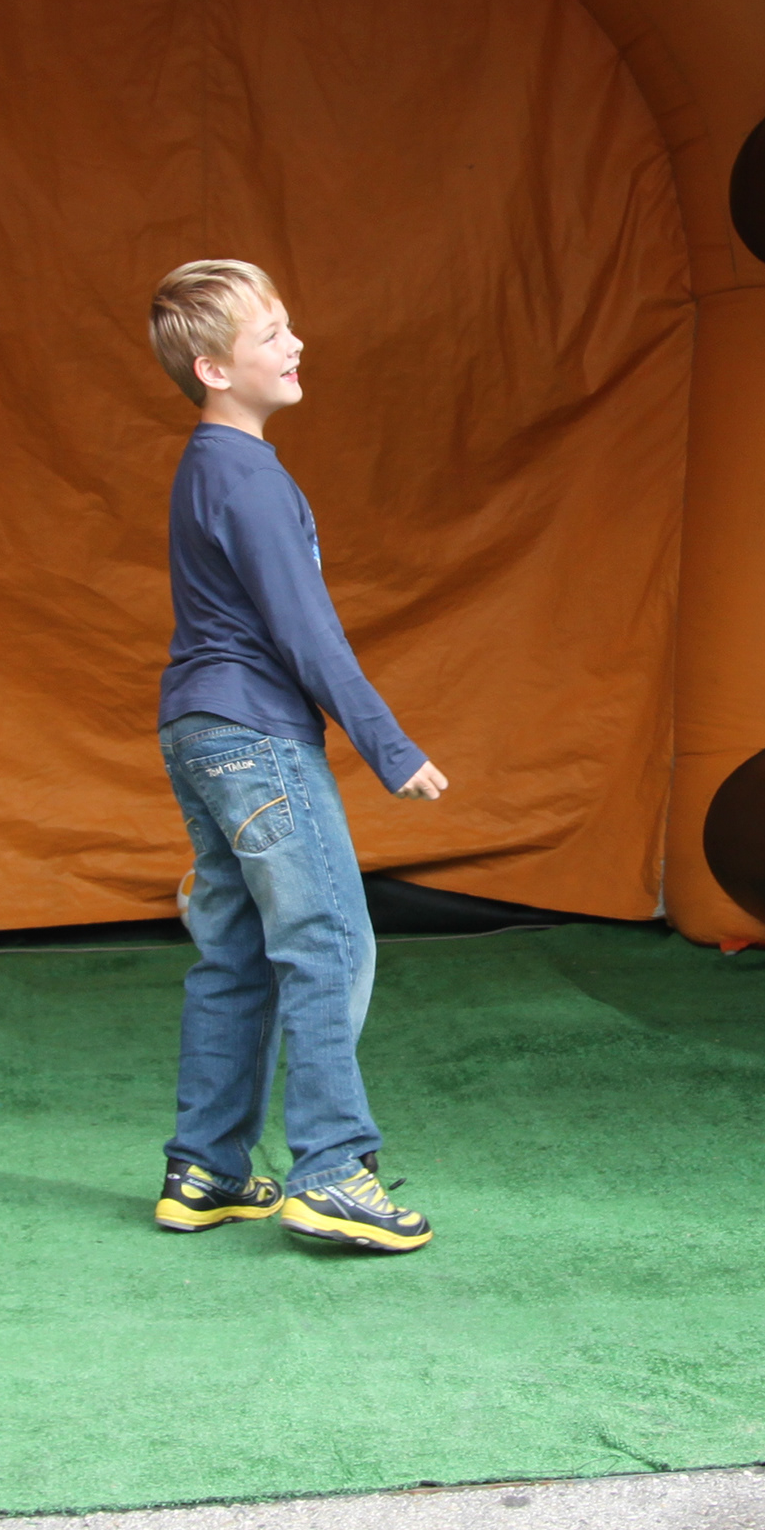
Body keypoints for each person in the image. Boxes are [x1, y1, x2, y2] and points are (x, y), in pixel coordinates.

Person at [144, 258, 449, 1253]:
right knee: (330, 943)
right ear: (213, 369)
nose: (296, 343)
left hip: (197, 730)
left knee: (237, 954)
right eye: (272, 333)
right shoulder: (250, 478)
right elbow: (305, 631)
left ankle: (207, 1170)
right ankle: (331, 1172)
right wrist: (389, 745)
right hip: (256, 739)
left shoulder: (208, 467)